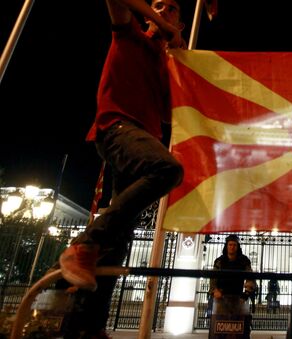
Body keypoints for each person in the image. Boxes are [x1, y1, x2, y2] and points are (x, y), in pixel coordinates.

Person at [57, 0, 186, 337]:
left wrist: (182, 70)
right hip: (117, 128)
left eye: (171, 9)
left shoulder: (163, 64)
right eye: (158, 5)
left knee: (120, 241)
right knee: (168, 170)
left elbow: (169, 117)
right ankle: (85, 243)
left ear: (181, 25)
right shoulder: (129, 32)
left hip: (143, 138)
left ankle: (87, 327)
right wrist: (163, 24)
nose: (163, 10)